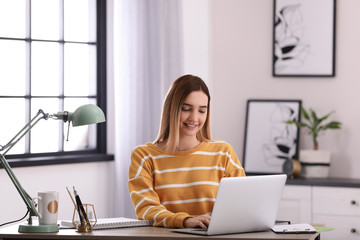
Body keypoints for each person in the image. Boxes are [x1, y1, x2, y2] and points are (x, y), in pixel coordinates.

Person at [128, 74, 246, 229]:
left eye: (202, 111)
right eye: (186, 109)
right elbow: (146, 209)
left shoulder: (223, 153)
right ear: (172, 108)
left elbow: (243, 203)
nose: (194, 118)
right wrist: (185, 221)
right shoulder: (144, 156)